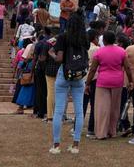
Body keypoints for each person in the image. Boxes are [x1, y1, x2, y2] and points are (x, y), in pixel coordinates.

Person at [48, 12, 89, 155]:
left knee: (59, 110)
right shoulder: (85, 38)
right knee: (79, 111)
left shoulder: (63, 37)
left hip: (64, 74)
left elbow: (59, 58)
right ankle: (76, 145)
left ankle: (56, 145)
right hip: (79, 76)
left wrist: (51, 54)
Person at [89, 30, 127, 139]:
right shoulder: (122, 51)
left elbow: (93, 69)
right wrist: (131, 81)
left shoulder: (99, 52)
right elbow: (127, 67)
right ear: (114, 40)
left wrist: (88, 83)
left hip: (103, 81)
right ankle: (112, 131)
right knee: (115, 107)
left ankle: (101, 133)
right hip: (118, 81)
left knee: (102, 107)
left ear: (104, 40)